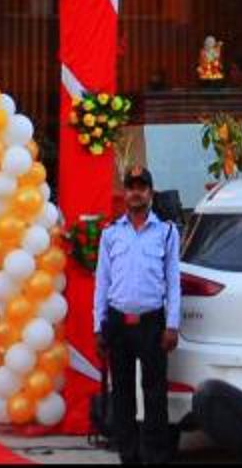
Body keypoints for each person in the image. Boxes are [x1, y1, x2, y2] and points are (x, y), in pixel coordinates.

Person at [91, 167, 181, 466]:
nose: (136, 193)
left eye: (142, 188)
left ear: (150, 193)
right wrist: (98, 326)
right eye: (131, 187)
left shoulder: (166, 232)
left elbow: (173, 282)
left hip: (152, 322)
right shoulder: (110, 233)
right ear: (125, 193)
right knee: (122, 393)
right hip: (118, 322)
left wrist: (172, 325)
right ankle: (128, 455)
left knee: (155, 393)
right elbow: (102, 282)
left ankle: (155, 456)